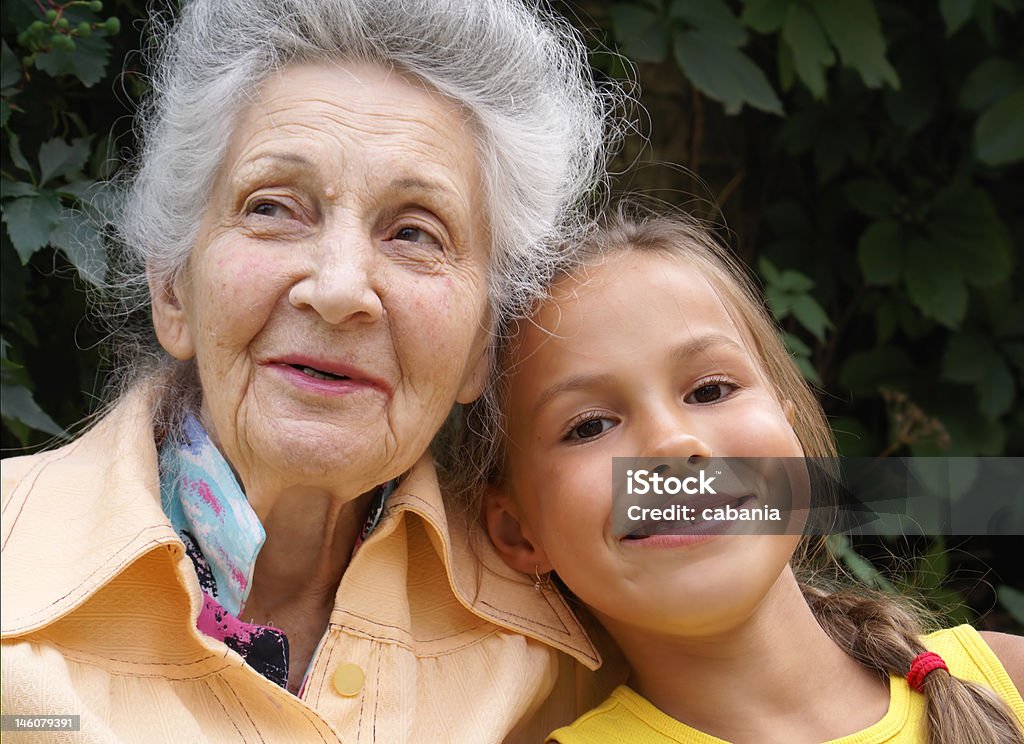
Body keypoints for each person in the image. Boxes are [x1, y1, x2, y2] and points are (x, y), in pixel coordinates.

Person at [0, 1, 623, 741]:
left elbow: (775, 499)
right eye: (273, 208)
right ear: (173, 286)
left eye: (415, 231)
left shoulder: (567, 590)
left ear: (484, 338)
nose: (337, 290)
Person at [464, 209, 1024, 743]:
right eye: (589, 427)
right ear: (518, 530)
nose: (673, 444)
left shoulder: (1006, 682)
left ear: (794, 433)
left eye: (710, 390)